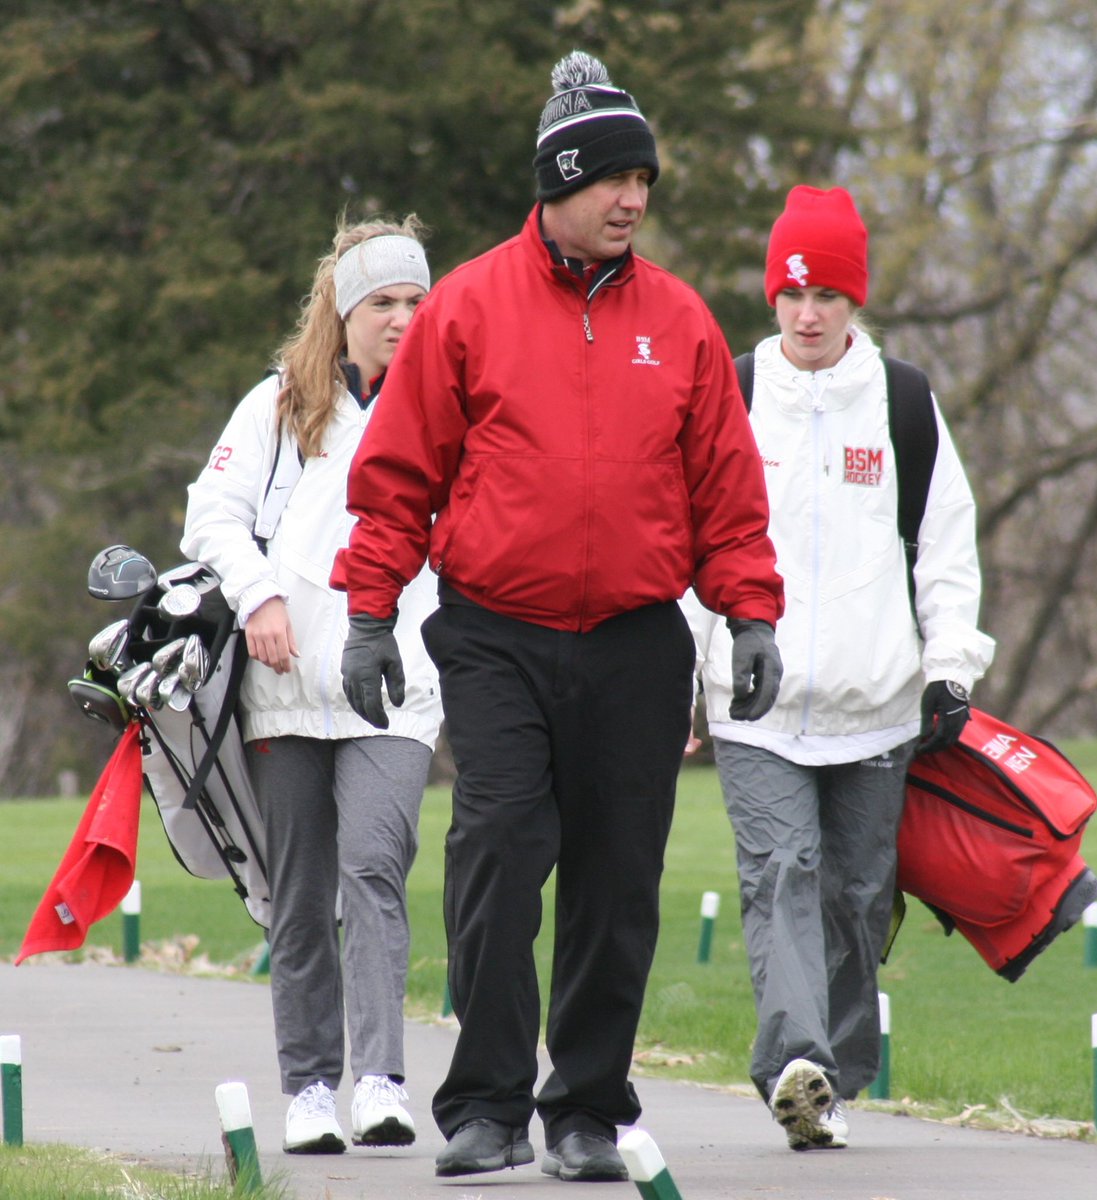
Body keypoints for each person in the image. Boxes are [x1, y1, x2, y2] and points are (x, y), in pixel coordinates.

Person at [330, 50, 785, 1184]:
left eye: (644, 182)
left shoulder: (679, 320)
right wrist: (370, 613)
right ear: (560, 184)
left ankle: (584, 1110)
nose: (633, 200)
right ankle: (485, 1105)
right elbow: (398, 476)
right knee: (496, 852)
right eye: (613, 180)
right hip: (495, 633)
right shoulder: (466, 306)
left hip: (635, 640)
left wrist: (749, 615)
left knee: (616, 882)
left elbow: (726, 491)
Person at [682, 185, 995, 1151]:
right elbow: (686, 544)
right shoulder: (732, 392)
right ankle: (795, 1065)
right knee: (781, 874)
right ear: (771, 296)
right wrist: (685, 673)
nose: (806, 314)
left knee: (858, 900)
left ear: (854, 299)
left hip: (877, 705)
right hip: (756, 706)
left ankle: (833, 1083)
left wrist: (948, 669)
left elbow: (944, 550)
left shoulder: (902, 402)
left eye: (824, 296)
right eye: (790, 294)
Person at [180, 216, 442, 1155]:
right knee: (299, 894)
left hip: (396, 689)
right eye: (383, 303)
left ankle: (379, 1080)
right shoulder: (279, 405)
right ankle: (309, 1090)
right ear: (343, 308)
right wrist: (258, 596)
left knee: (373, 868)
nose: (402, 319)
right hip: (283, 688)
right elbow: (210, 515)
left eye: (416, 301)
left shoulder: (447, 405)